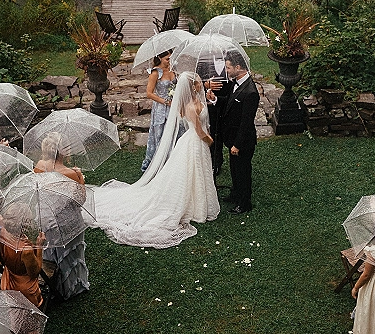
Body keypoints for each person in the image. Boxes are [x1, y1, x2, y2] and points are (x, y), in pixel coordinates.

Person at [88, 72, 219, 248]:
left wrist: (208, 99)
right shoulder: (189, 106)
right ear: (191, 87)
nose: (200, 85)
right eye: (197, 83)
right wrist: (210, 141)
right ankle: (193, 208)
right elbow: (199, 131)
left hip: (195, 142)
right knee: (190, 173)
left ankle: (198, 204)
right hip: (194, 142)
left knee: (197, 173)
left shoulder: (196, 101)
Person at [34, 132, 89, 299]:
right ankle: (69, 287)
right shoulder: (69, 173)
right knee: (70, 255)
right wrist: (80, 177)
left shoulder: (39, 165)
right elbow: (80, 200)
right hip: (66, 221)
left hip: (46, 217)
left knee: (50, 251)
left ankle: (51, 285)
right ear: (62, 151)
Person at [207, 50, 259, 214]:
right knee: (235, 170)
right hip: (232, 139)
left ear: (238, 67)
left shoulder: (250, 92)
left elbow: (246, 122)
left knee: (243, 172)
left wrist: (237, 144)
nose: (226, 71)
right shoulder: (235, 83)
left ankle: (244, 203)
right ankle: (236, 194)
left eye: (228, 68)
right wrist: (215, 99)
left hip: (242, 141)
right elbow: (228, 103)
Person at [0, 203, 45, 309]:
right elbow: (34, 272)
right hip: (24, 289)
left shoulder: (2, 232)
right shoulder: (26, 250)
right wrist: (39, 246)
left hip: (8, 279)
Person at [141, 50, 177, 172]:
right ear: (160, 58)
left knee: (175, 132)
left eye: (170, 58)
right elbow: (149, 93)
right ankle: (160, 164)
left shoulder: (173, 70)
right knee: (161, 134)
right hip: (162, 107)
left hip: (174, 106)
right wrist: (165, 101)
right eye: (167, 59)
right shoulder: (155, 73)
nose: (169, 61)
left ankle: (174, 161)